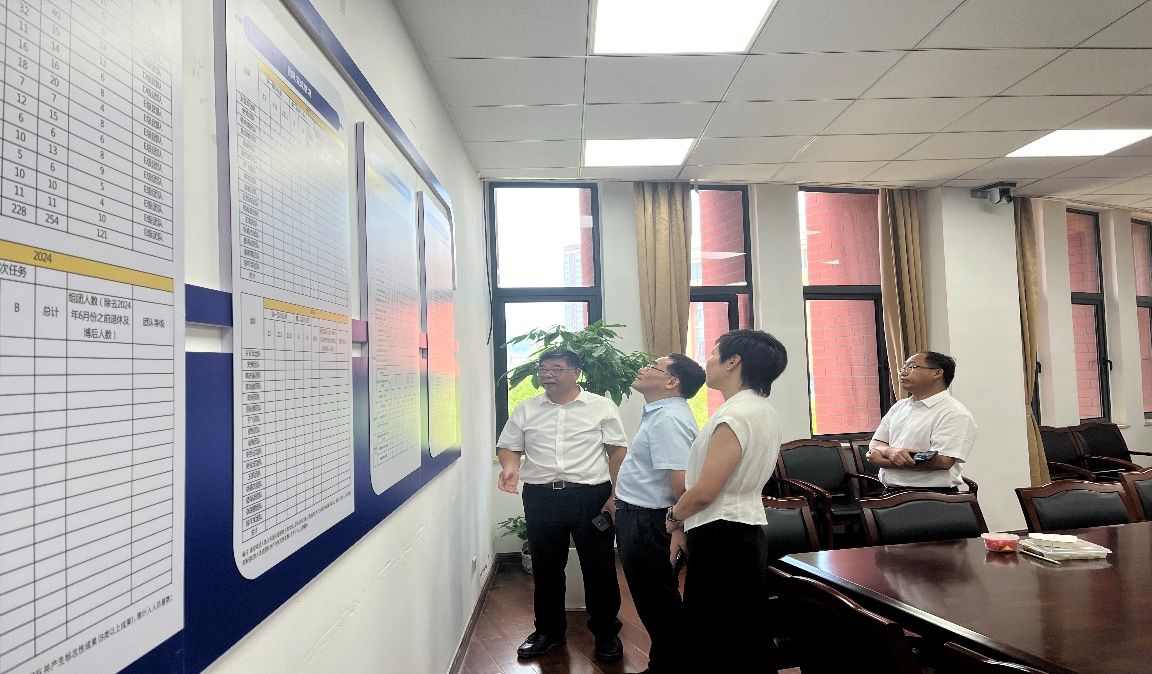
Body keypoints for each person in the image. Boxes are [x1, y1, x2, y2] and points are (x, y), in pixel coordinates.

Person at [665, 329, 788, 673]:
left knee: (719, 633)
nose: (707, 361)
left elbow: (706, 491)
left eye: (713, 353)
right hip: (741, 529)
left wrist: (673, 518)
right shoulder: (759, 409)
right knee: (743, 629)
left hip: (722, 533)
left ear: (733, 361)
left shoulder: (735, 415)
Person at [496, 349, 628, 662]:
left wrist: (615, 493)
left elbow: (617, 451)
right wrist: (510, 466)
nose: (547, 375)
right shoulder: (527, 409)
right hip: (541, 497)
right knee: (546, 567)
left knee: (599, 566)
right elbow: (508, 446)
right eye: (543, 369)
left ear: (576, 372)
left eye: (556, 369)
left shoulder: (600, 407)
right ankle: (549, 631)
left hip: (590, 497)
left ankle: (606, 631)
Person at [614, 353, 706, 674]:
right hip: (641, 517)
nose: (642, 369)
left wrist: (677, 526)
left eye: (653, 366)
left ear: (672, 382)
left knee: (658, 603)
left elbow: (681, 485)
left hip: (649, 521)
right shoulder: (661, 412)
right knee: (655, 601)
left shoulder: (668, 419)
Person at [865, 351, 977, 496]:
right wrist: (890, 451)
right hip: (891, 492)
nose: (903, 372)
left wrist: (883, 461)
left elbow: (943, 461)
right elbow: (876, 442)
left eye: (912, 367)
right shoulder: (899, 407)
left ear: (937, 373)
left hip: (932, 496)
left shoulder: (953, 412)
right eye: (903, 367)